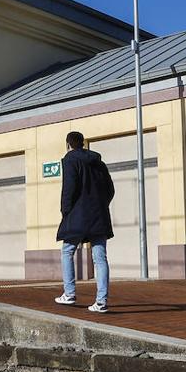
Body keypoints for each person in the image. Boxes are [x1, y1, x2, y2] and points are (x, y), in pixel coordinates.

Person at [55, 131, 114, 312]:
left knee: (67, 251)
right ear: (83, 143)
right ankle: (101, 302)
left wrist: (65, 211)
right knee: (100, 257)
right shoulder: (99, 163)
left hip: (78, 215)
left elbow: (69, 188)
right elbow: (110, 189)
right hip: (99, 216)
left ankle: (70, 293)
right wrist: (102, 205)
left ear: (68, 144)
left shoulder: (70, 160)